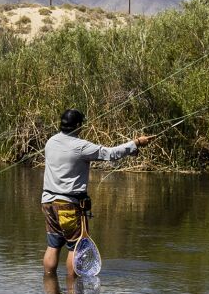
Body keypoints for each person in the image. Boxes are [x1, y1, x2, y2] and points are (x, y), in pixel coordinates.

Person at [40, 108, 148, 282]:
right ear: (78, 126)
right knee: (75, 246)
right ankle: (71, 288)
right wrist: (135, 143)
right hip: (68, 204)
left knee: (53, 245)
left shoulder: (51, 141)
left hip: (47, 203)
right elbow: (110, 154)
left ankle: (50, 291)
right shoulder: (81, 146)